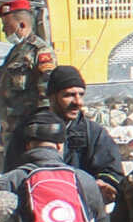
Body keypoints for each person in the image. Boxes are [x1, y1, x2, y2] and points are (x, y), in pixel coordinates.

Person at [46, 65, 126, 203]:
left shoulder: (94, 133)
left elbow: (113, 173)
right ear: (52, 97)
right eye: (69, 95)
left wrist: (104, 184)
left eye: (81, 94)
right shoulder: (30, 132)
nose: (78, 102)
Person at [0, 0, 58, 161]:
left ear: (22, 25)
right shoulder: (15, 52)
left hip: (27, 131)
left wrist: (38, 132)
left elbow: (46, 96)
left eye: (7, 26)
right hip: (11, 130)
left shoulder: (40, 51)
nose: (4, 30)